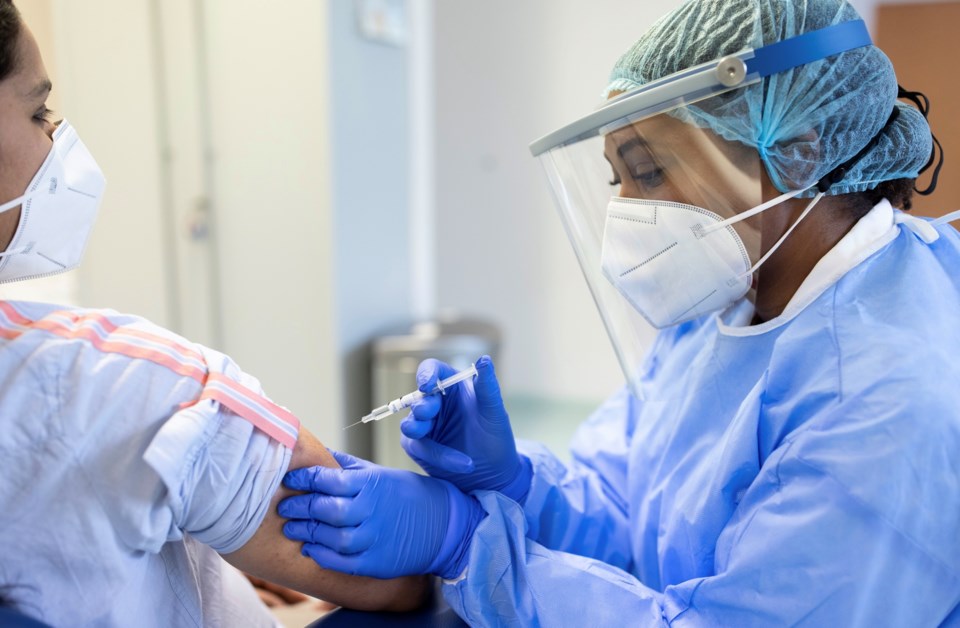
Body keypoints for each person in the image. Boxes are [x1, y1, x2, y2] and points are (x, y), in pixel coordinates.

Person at [278, 0, 960, 625]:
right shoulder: (732, 300)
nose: (628, 212)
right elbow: (635, 520)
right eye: (617, 179)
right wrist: (515, 480)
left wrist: (465, 549)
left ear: (799, 152)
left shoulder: (885, 398)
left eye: (649, 171)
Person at [0, 2, 431, 625]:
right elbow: (398, 577)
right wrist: (456, 520)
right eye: (38, 111)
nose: (55, 139)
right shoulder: (122, 384)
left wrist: (211, 569)